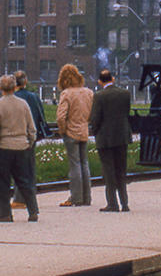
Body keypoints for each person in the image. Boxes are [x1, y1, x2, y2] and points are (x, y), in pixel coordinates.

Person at [0, 75, 38, 223]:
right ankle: (33, 211)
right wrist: (28, 143)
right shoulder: (23, 104)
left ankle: (5, 214)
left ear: (0, 88)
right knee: (25, 181)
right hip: (22, 147)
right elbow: (32, 129)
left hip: (3, 148)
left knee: (2, 182)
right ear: (15, 87)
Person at [88, 69, 132, 212]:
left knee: (108, 170)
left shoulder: (99, 96)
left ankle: (112, 203)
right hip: (122, 136)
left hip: (105, 138)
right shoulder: (125, 94)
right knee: (121, 169)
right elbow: (126, 112)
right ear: (112, 79)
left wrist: (95, 132)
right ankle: (125, 203)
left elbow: (95, 119)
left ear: (100, 82)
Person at [56, 64, 94, 206]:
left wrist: (63, 130)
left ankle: (76, 197)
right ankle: (86, 197)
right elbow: (92, 113)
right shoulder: (88, 92)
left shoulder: (66, 93)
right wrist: (85, 123)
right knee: (84, 164)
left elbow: (61, 117)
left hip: (71, 132)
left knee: (75, 165)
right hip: (84, 131)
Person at [11, 71, 49, 210]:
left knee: (17, 169)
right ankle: (30, 198)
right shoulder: (33, 97)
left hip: (15, 136)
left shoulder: (11, 98)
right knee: (30, 168)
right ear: (25, 82)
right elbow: (40, 116)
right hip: (31, 135)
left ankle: (19, 199)